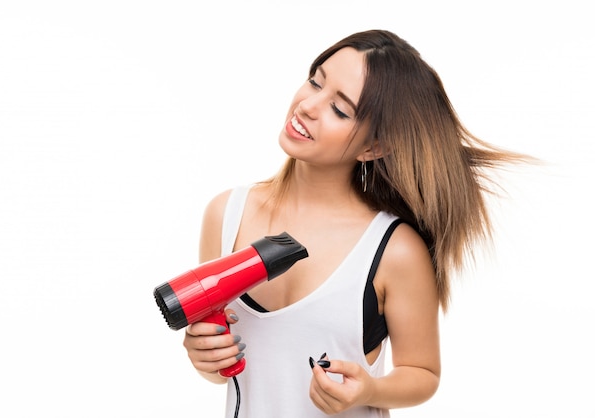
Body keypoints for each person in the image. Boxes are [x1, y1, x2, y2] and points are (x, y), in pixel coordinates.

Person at [182, 29, 529, 418]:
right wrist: (207, 358)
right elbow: (229, 368)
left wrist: (371, 388)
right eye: (315, 80)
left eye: (340, 109)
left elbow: (423, 373)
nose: (308, 105)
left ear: (373, 147)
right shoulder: (226, 214)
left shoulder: (393, 250)